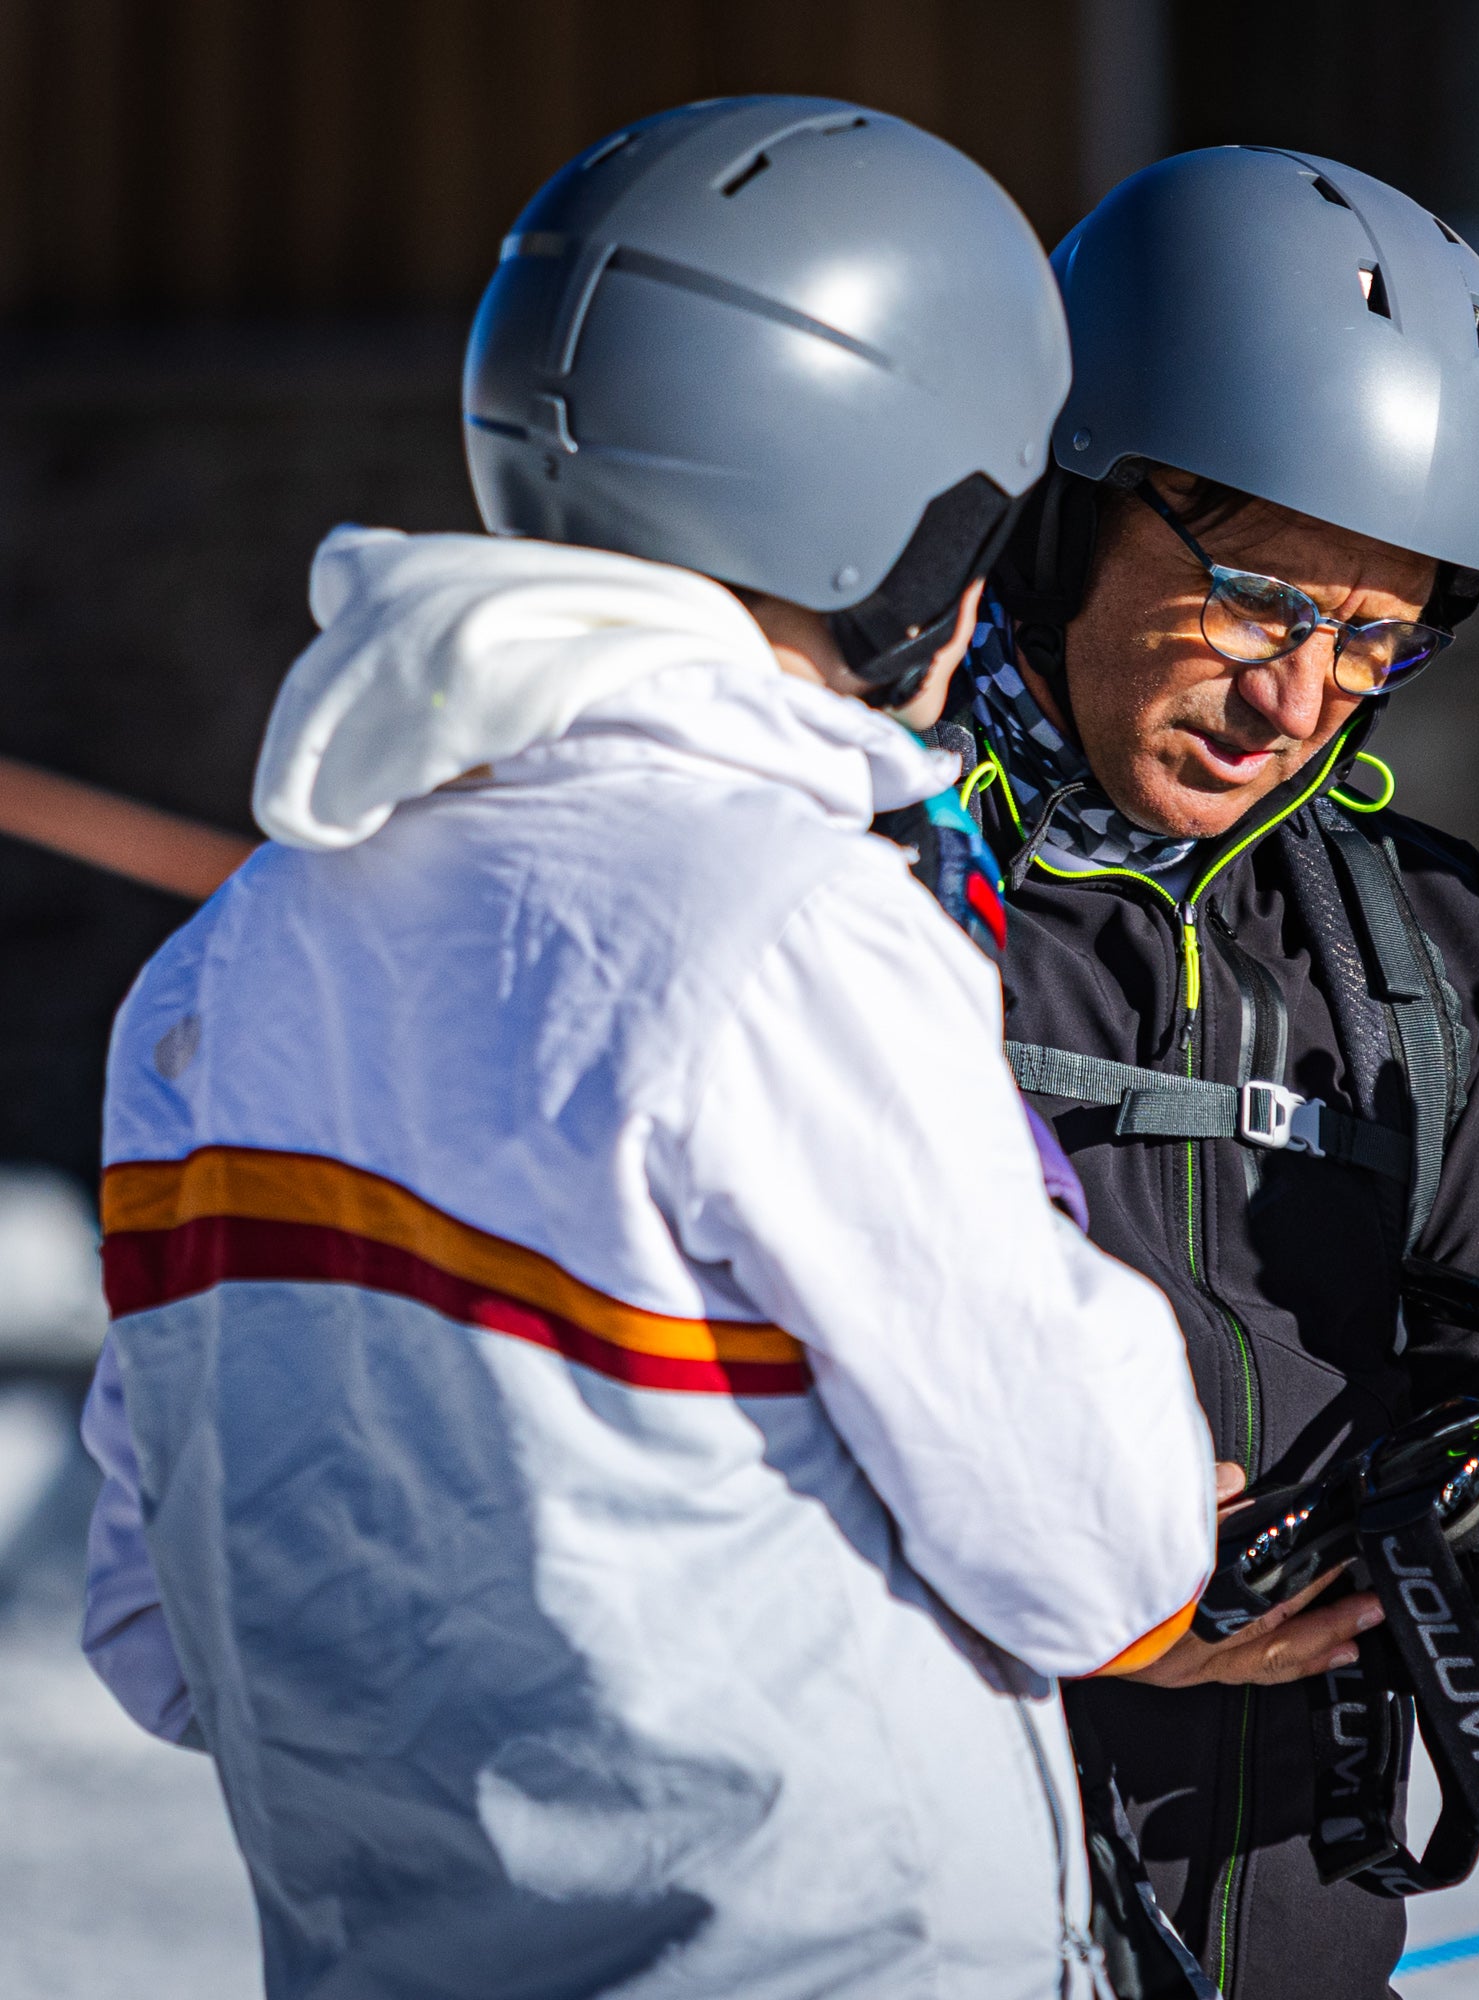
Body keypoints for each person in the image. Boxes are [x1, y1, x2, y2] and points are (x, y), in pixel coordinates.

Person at [77, 100, 1215, 1998]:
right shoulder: (788, 926)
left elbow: (157, 1625)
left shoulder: (231, 961)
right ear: (913, 521)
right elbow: (1096, 1551)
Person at [909, 148, 1479, 2000]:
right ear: (1066, 514)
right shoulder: (860, 898)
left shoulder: (1405, 946)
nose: (1297, 700)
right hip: (910, 1904)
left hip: (1288, 1920)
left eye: (1376, 640)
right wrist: (1080, 1591)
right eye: (1256, 600)